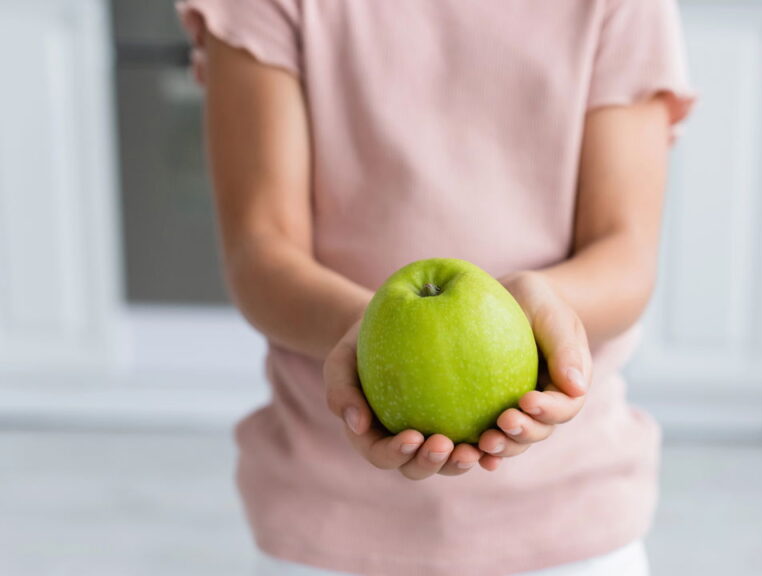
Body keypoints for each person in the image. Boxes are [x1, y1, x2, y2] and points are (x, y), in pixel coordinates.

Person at [177, 1, 695, 574]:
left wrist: (543, 310)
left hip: (570, 511)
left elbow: (625, 254)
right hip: (329, 514)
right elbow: (260, 252)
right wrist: (369, 331)